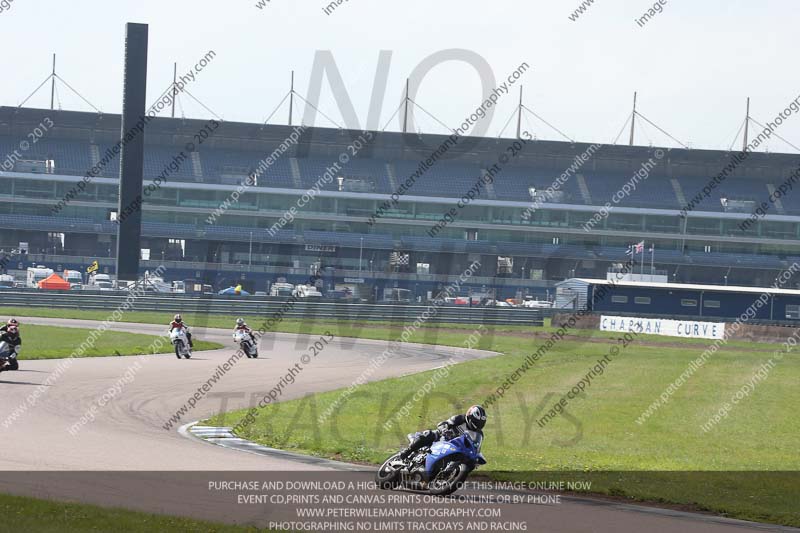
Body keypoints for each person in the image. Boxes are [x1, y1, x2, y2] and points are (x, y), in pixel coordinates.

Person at [399, 405, 487, 460]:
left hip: (455, 449)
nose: (477, 425)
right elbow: (444, 423)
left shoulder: (479, 434)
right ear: (470, 417)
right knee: (429, 434)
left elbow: (476, 447)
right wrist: (444, 430)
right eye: (476, 422)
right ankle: (407, 451)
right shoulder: (460, 419)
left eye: (479, 423)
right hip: (441, 439)